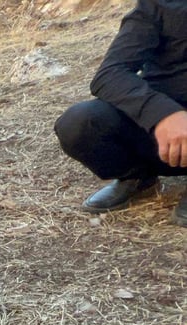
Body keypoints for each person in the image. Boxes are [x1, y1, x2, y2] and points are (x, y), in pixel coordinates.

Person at [54, 0, 187, 226]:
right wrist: (163, 114)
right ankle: (137, 177)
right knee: (79, 124)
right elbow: (110, 74)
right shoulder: (162, 5)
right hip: (163, 134)